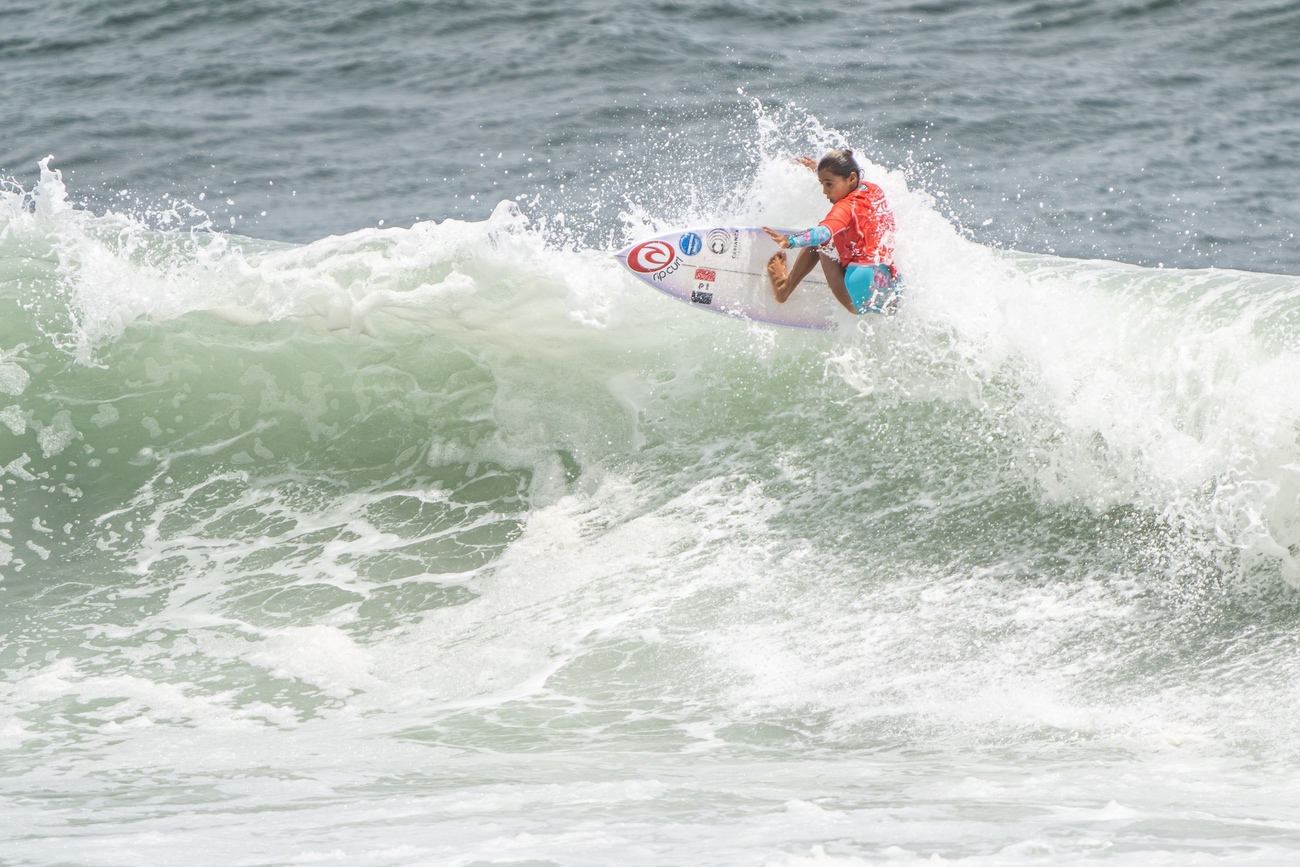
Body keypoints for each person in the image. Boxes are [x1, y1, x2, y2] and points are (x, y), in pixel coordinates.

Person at [762, 149, 900, 315]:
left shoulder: (845, 207)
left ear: (851, 178)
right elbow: (844, 179)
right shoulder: (873, 190)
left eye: (829, 184)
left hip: (858, 297)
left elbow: (823, 233)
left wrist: (791, 241)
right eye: (822, 184)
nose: (824, 191)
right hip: (888, 288)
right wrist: (818, 169)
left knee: (822, 242)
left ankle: (783, 289)